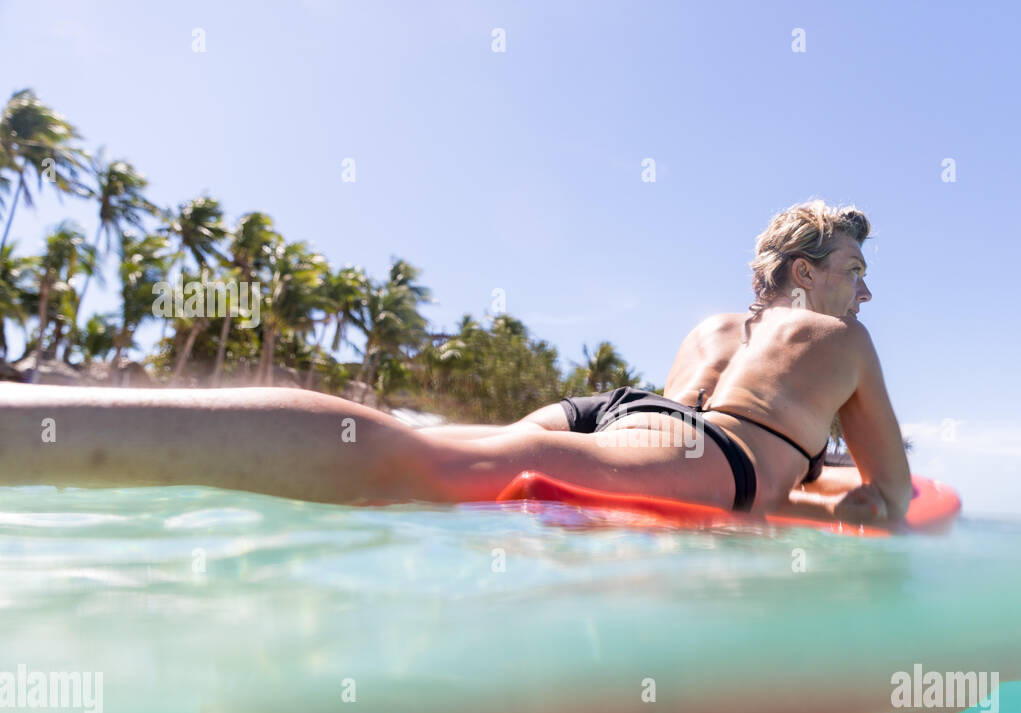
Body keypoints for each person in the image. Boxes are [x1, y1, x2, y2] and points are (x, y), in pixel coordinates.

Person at [0, 200, 910, 525]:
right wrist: (849, 503)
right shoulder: (843, 344)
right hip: (702, 456)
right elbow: (890, 501)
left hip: (625, 421)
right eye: (854, 271)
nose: (864, 293)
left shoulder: (716, 326)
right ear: (803, 272)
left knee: (441, 478)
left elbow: (674, 422)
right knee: (414, 460)